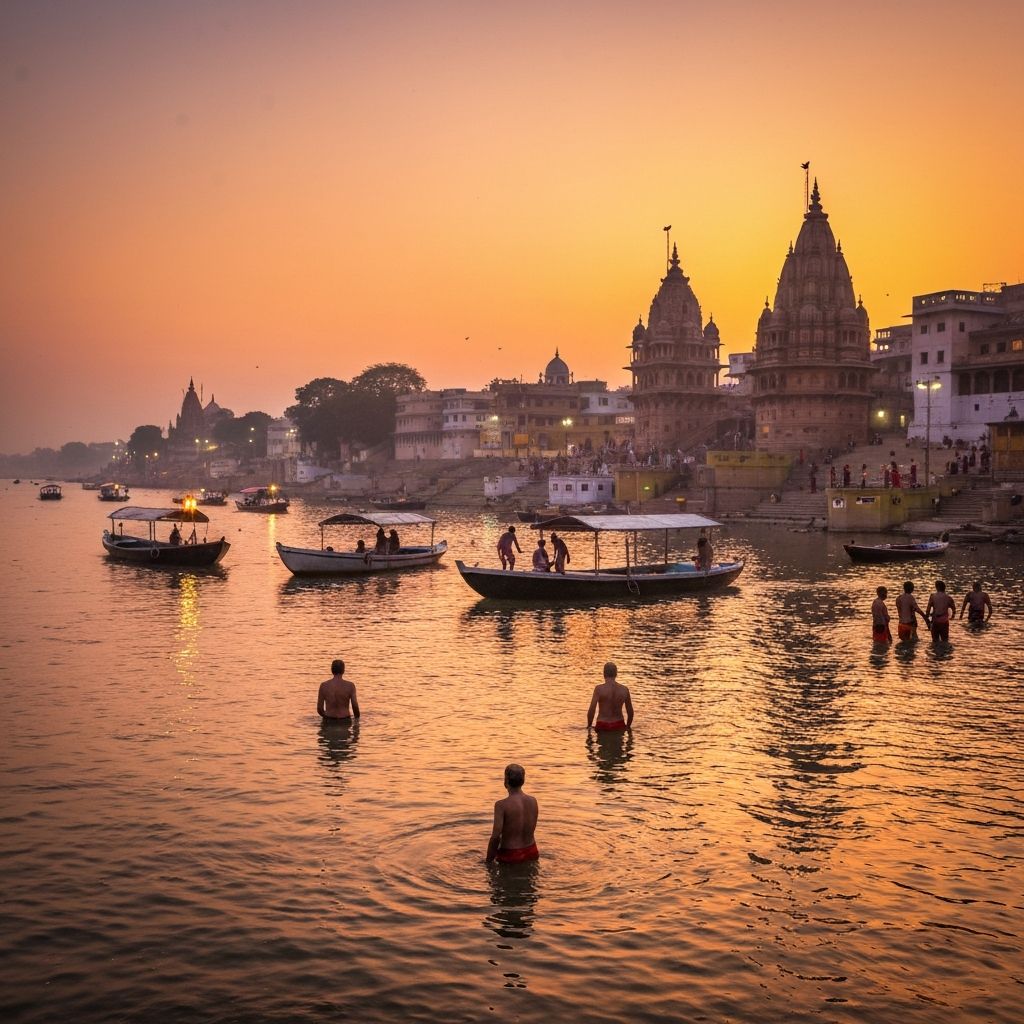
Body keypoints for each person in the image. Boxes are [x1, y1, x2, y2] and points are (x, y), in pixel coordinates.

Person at [486, 763, 539, 864]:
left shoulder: (501, 805)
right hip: (532, 851)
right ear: (523, 781)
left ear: (505, 781)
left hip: (510, 855)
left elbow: (495, 837)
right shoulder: (533, 801)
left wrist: (488, 861)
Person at [587, 662, 635, 731]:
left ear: (604, 674)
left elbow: (592, 709)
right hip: (619, 724)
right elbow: (630, 712)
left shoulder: (599, 689)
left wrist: (589, 726)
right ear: (616, 674)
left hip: (602, 724)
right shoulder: (624, 689)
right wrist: (628, 726)